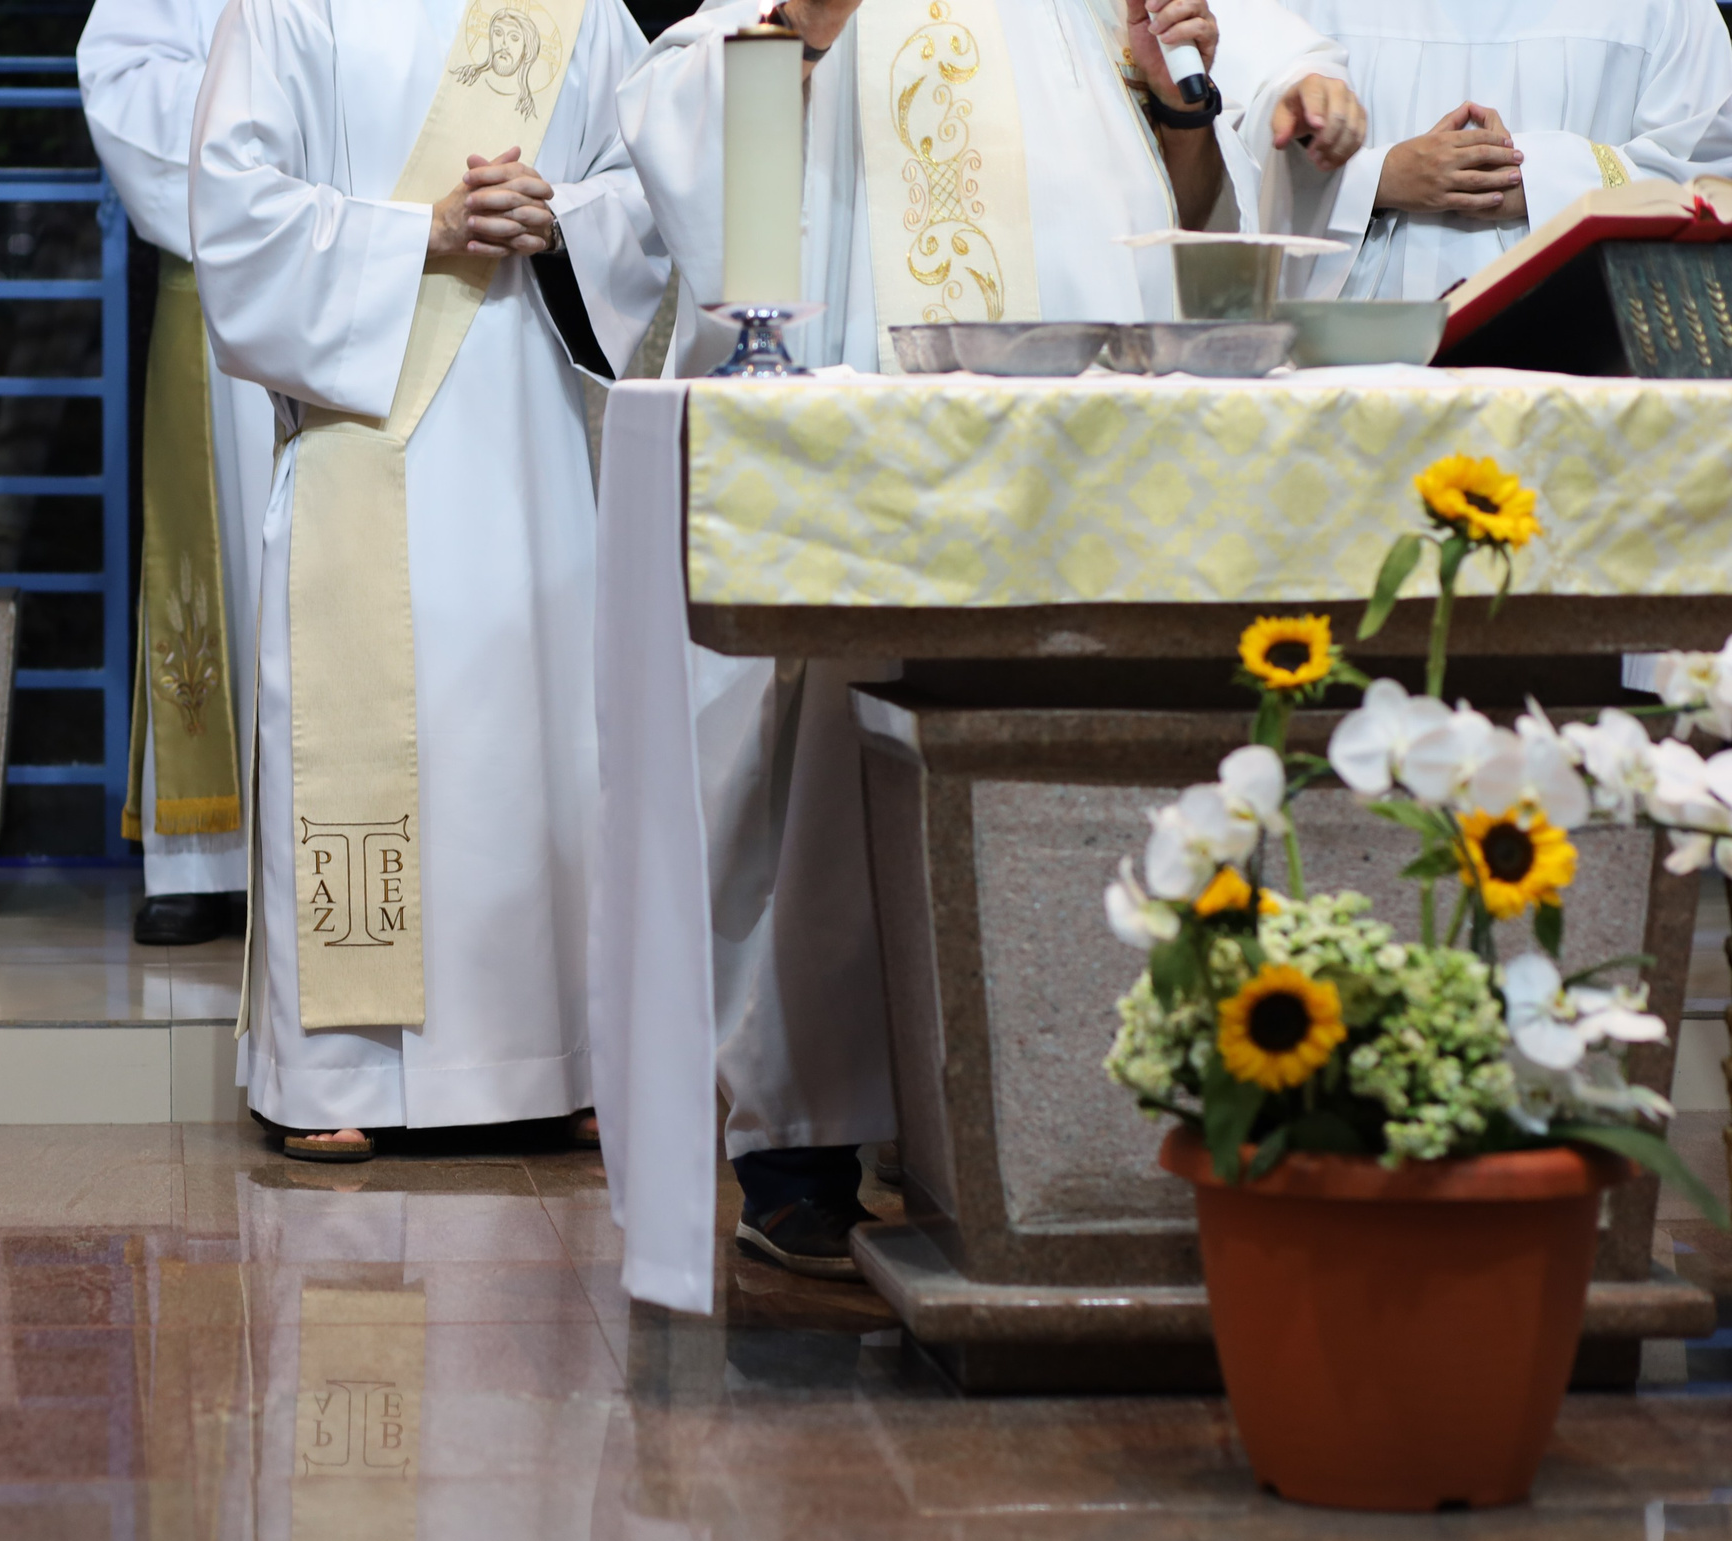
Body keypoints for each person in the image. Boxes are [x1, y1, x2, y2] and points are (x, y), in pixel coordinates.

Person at [612, 0, 1366, 1278]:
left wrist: (1214, 106)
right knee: (833, 729)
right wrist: (798, 31)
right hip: (868, 363)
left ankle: (1070, 1112)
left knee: (1078, 707)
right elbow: (688, 99)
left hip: (1090, 390)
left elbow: (1208, 166)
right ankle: (808, 1138)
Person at [189, 0, 670, 1160]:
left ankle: (558, 1057)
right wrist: (424, 230)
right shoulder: (290, 8)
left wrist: (562, 224)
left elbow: (654, 181)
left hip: (530, 444)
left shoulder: (578, 12)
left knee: (534, 738)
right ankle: (339, 1073)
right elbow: (234, 209)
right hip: (367, 429)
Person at [80, 0, 277, 947]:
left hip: (373, 258)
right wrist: (252, 128)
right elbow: (118, 72)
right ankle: (207, 858)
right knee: (213, 568)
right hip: (226, 274)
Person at [1284, 0, 1732, 302]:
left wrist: (1536, 180)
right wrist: (1382, 179)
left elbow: (1708, 174)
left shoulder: (1666, 9)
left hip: (1581, 344)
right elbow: (1240, 154)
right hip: (1357, 353)